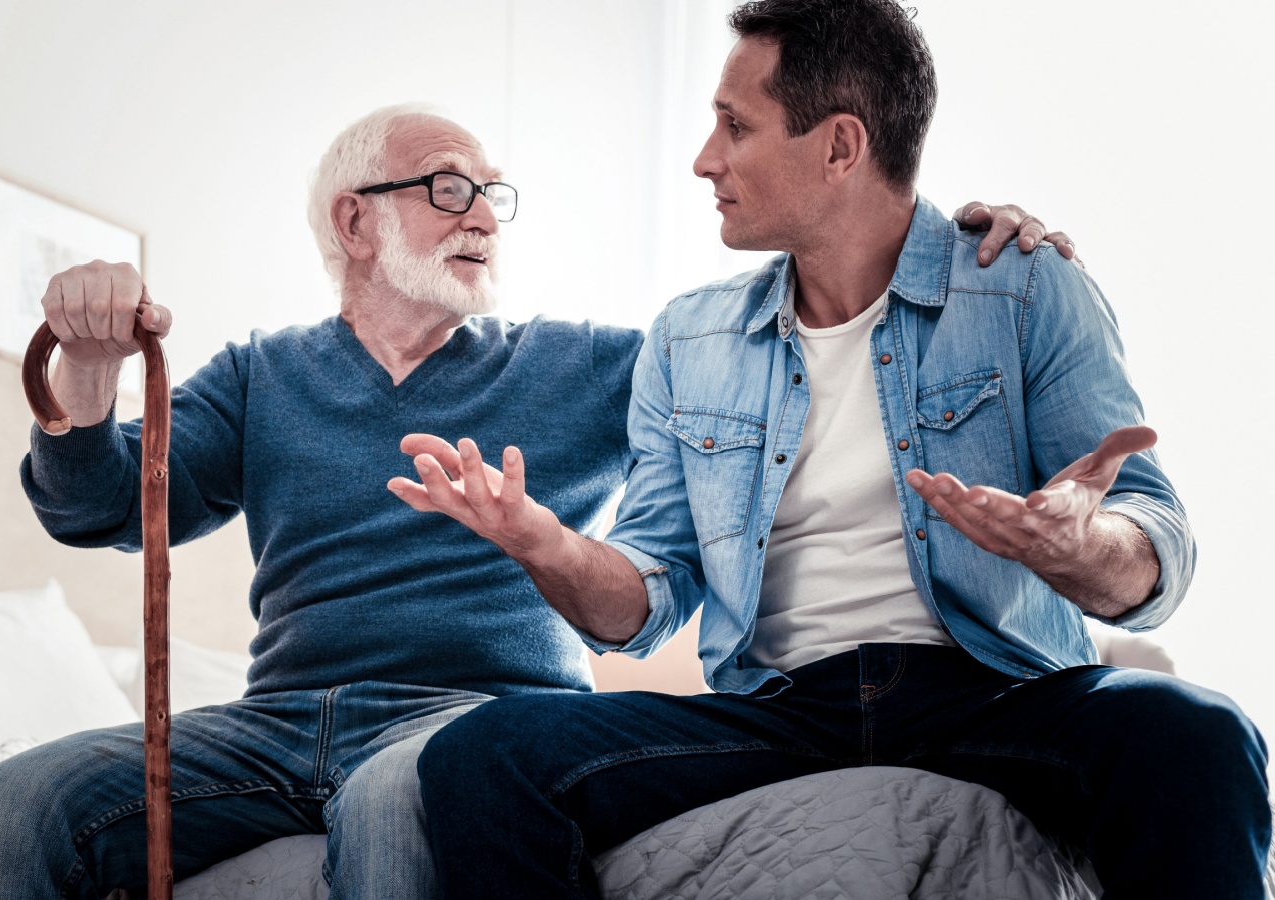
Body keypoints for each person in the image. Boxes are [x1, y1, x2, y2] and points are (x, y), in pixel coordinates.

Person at [0, 100, 1066, 899]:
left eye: (492, 193)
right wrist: (90, 378)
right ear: (354, 223)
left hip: (476, 716)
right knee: (15, 800)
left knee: (409, 803)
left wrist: (936, 256)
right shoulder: (260, 375)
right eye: (448, 189)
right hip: (278, 722)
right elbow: (96, 510)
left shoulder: (580, 363)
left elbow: (780, 350)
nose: (482, 212)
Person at [399, 3, 1272, 898]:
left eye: (735, 125)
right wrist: (547, 546)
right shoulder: (689, 338)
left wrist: (1083, 549)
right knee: (483, 757)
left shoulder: (1024, 288)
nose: (706, 158)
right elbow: (650, 598)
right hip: (781, 711)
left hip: (994, 692)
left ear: (841, 147)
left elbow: (1153, 538)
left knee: (1197, 733)